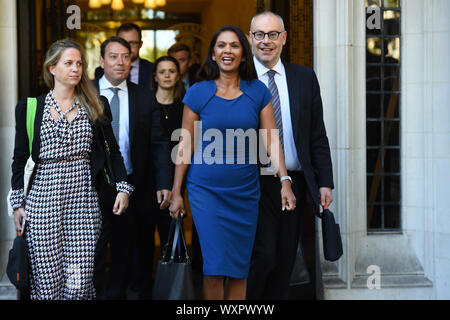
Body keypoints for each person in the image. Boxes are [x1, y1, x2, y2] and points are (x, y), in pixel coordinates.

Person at [168, 25, 296, 300]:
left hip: (245, 192)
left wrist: (285, 179)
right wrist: (177, 192)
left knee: (239, 269)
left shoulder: (258, 91)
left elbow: (272, 140)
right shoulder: (199, 93)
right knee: (214, 268)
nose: (228, 51)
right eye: (221, 45)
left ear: (244, 53)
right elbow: (185, 144)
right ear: (213, 54)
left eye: (234, 45)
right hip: (206, 192)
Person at [9, 39, 133, 300]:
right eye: (68, 63)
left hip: (83, 206)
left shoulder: (95, 105)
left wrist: (123, 188)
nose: (75, 68)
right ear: (52, 68)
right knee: (46, 284)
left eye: (79, 63)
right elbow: (19, 158)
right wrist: (17, 203)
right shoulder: (30, 108)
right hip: (42, 206)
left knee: (78, 282)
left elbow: (112, 151)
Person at [246, 11, 334, 300]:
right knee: (263, 256)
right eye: (259, 34)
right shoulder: (241, 80)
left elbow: (317, 134)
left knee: (286, 259)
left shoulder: (304, 77)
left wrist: (325, 182)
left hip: (293, 183)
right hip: (253, 183)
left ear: (284, 38)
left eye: (273, 34)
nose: (266, 41)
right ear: (250, 38)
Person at [92, 37, 172, 299]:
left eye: (125, 57)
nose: (120, 62)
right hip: (90, 186)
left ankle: (118, 294)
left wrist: (163, 183)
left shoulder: (144, 97)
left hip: (132, 184)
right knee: (93, 248)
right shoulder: (85, 93)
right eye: (113, 56)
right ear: (102, 61)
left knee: (126, 250)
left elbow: (159, 143)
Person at [95, 23, 154, 88]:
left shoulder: (153, 69)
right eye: (122, 42)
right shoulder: (101, 71)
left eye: (132, 43)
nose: (127, 47)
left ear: (140, 44)